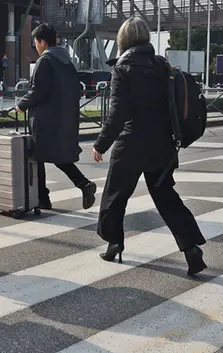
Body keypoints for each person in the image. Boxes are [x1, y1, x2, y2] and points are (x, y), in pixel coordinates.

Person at [91, 16, 207, 276]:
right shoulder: (162, 66)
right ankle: (191, 248)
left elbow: (118, 114)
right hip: (162, 146)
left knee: (115, 195)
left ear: (123, 40)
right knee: (167, 198)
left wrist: (101, 144)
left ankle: (115, 243)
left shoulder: (122, 69)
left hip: (131, 145)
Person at [16, 23, 97, 210]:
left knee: (39, 157)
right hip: (64, 118)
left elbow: (38, 90)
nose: (35, 46)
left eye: (35, 42)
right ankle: (83, 184)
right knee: (58, 157)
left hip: (45, 119)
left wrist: (21, 105)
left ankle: (44, 198)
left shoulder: (44, 61)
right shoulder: (67, 62)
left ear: (43, 42)